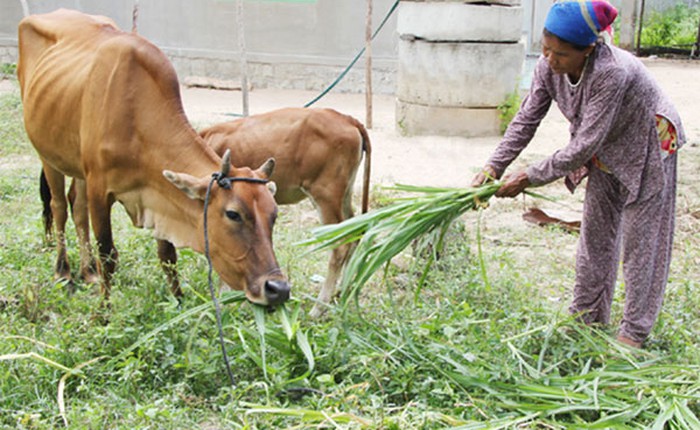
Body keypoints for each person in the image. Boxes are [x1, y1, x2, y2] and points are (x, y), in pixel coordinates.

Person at [472, 0, 685, 348]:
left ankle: (634, 332)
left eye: (561, 54)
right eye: (545, 49)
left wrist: (529, 176)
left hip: (647, 144)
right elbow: (526, 119)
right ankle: (587, 317)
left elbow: (583, 145)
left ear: (588, 49)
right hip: (605, 150)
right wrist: (494, 166)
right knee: (595, 239)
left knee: (641, 245)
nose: (551, 60)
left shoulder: (610, 71)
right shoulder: (547, 68)